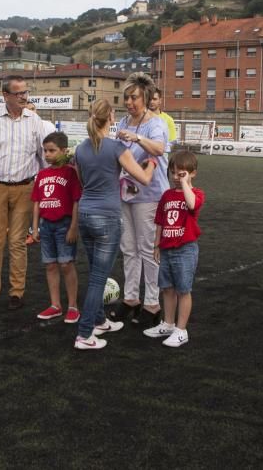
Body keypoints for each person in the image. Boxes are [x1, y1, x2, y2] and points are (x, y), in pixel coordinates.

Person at [73, 99, 156, 350]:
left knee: (95, 273)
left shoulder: (80, 149)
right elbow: (143, 179)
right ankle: (85, 334)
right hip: (107, 217)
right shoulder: (116, 147)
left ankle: (99, 321)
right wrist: (152, 162)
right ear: (110, 118)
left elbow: (82, 181)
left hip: (86, 215)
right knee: (99, 277)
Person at [0, 75, 47, 311]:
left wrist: (45, 190)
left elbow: (43, 158)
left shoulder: (35, 120)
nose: (24, 97)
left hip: (25, 189)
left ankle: (17, 293)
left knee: (17, 243)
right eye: (19, 93)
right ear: (5, 95)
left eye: (26, 92)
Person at [110, 72, 170, 329]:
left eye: (134, 97)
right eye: (126, 98)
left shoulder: (155, 123)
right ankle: (131, 298)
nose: (129, 102)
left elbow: (158, 149)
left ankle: (153, 303)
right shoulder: (124, 120)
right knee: (129, 248)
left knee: (148, 249)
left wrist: (137, 138)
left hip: (150, 195)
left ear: (145, 98)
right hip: (127, 193)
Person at [144, 151, 205, 348]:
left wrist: (186, 184)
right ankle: (168, 323)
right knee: (167, 288)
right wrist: (156, 245)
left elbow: (191, 204)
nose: (176, 177)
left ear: (192, 173)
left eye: (182, 173)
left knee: (183, 290)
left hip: (185, 249)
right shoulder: (167, 195)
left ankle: (181, 330)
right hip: (167, 248)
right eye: (174, 173)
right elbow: (160, 222)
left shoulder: (196, 193)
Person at [30, 131, 82, 323]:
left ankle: (73, 306)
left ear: (64, 150)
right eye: (45, 151)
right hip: (46, 226)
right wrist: (34, 228)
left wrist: (73, 227)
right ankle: (55, 305)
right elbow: (36, 202)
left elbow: (76, 201)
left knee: (66, 264)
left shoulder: (70, 173)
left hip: (64, 224)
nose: (47, 154)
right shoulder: (42, 174)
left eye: (52, 150)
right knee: (50, 265)